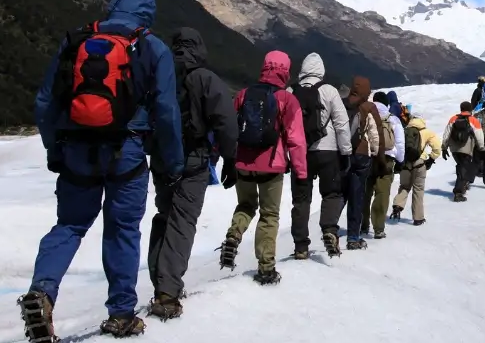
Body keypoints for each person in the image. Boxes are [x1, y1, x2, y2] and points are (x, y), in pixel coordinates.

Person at [21, 0, 182, 343]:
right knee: (122, 229)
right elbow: (168, 113)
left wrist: (54, 148)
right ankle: (122, 314)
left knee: (69, 225)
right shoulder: (152, 48)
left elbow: (45, 102)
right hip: (127, 150)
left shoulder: (77, 40)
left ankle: (42, 292)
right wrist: (171, 163)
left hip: (76, 149)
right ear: (147, 17)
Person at [147, 27, 238, 320]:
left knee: (164, 215)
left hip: (162, 158)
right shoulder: (205, 78)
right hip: (194, 159)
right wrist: (231, 158)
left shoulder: (160, 74)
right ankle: (168, 292)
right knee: (182, 222)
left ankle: (160, 281)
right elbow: (225, 121)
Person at [217, 51, 308, 285]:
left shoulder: (244, 94)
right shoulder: (287, 100)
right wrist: (301, 172)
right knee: (269, 215)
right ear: (285, 71)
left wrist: (226, 156)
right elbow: (296, 139)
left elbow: (228, 125)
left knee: (245, 205)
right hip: (271, 166)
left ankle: (233, 236)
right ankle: (266, 268)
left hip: (243, 163)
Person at [288, 53, 352, 259]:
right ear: (321, 70)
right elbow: (342, 124)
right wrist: (346, 152)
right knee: (332, 193)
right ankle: (329, 230)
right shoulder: (329, 90)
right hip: (327, 151)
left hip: (300, 152)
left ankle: (300, 246)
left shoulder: (291, 91)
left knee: (301, 200)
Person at [343, 76, 379, 250]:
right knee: (357, 196)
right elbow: (375, 135)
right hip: (362, 155)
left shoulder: (342, 103)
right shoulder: (369, 107)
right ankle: (353, 237)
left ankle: (330, 228)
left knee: (340, 193)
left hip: (342, 154)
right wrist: (377, 155)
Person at [391, 104, 442, 225]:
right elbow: (437, 149)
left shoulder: (404, 130)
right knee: (418, 190)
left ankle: (398, 205)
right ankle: (418, 218)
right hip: (419, 164)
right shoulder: (427, 132)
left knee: (404, 186)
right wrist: (430, 160)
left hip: (405, 164)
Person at [365, 91, 404, 239]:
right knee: (382, 193)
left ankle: (363, 225)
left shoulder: (365, 113)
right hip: (387, 158)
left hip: (368, 157)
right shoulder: (392, 118)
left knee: (365, 191)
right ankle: (378, 228)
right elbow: (400, 142)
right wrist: (400, 160)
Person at [441, 101, 484, 202]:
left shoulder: (453, 119)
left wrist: (444, 147)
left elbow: (446, 134)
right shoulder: (473, 120)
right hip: (467, 148)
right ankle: (458, 192)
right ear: (470, 109)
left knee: (461, 167)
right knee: (463, 169)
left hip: (454, 149)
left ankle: (462, 187)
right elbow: (479, 135)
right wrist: (481, 147)